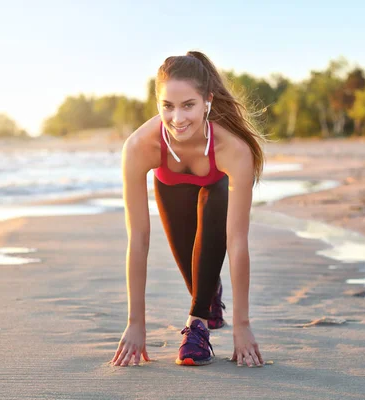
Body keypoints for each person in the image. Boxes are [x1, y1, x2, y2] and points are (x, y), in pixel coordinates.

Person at [110, 51, 265, 368]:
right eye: (167, 106)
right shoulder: (140, 147)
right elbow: (138, 238)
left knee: (218, 191)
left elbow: (236, 242)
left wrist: (242, 326)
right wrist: (135, 323)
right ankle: (208, 294)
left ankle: (197, 326)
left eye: (188, 105)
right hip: (171, 188)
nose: (177, 118)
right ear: (157, 102)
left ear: (207, 100)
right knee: (198, 281)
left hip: (216, 191)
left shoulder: (232, 149)